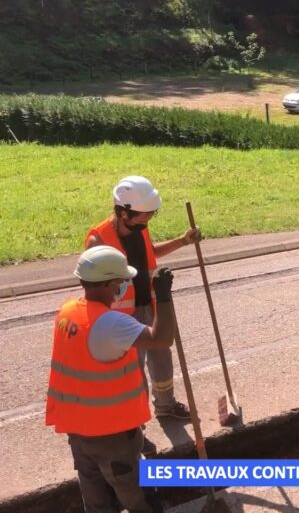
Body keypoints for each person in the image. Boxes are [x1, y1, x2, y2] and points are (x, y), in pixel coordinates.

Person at [46, 246, 177, 512]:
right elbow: (162, 338)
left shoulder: (68, 311)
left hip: (79, 431)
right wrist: (163, 296)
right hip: (113, 435)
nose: (123, 288)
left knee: (95, 496)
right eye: (121, 283)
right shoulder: (111, 324)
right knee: (134, 495)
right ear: (109, 284)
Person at [84, 176, 200, 425]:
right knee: (132, 372)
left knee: (162, 358)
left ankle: (166, 406)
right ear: (123, 211)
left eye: (150, 214)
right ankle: (136, 421)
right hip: (121, 317)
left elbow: (151, 252)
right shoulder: (98, 240)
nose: (147, 220)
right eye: (142, 215)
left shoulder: (139, 228)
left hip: (150, 306)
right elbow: (91, 283)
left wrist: (183, 240)